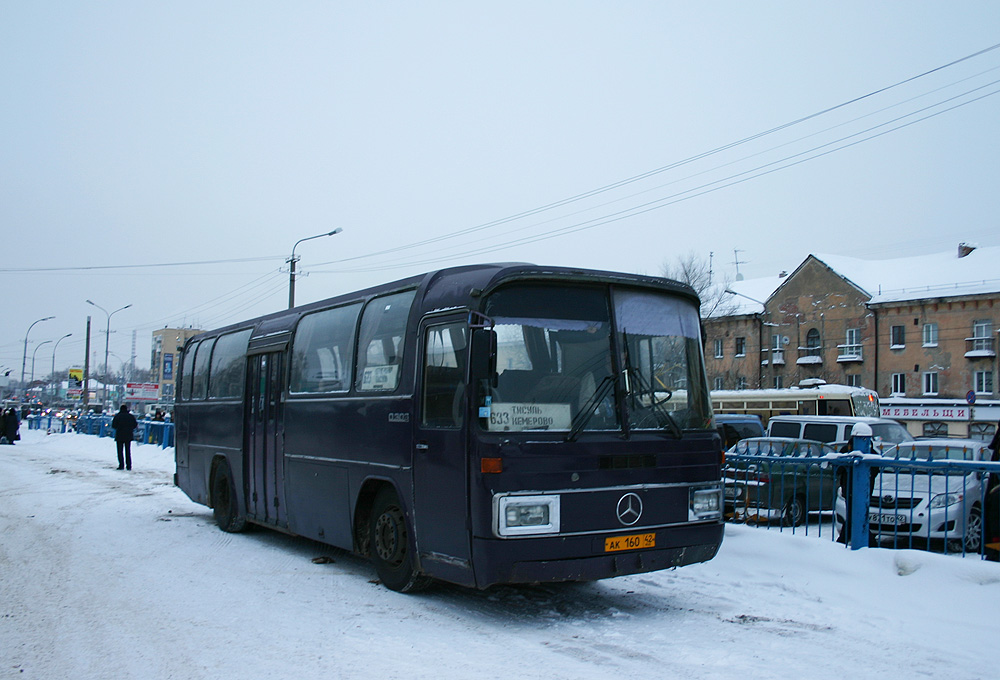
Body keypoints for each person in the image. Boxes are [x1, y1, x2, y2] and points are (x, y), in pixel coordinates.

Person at [836, 422, 878, 546]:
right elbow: (838, 469)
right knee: (855, 517)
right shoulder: (847, 450)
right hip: (850, 489)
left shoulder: (871, 453)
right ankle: (870, 544)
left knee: (857, 517)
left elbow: (875, 470)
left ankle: (841, 543)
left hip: (863, 490)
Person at [111, 404, 138, 470]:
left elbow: (114, 425)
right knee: (128, 451)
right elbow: (135, 425)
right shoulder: (131, 416)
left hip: (119, 435)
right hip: (128, 435)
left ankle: (121, 465)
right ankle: (129, 465)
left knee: (120, 451)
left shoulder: (117, 416)